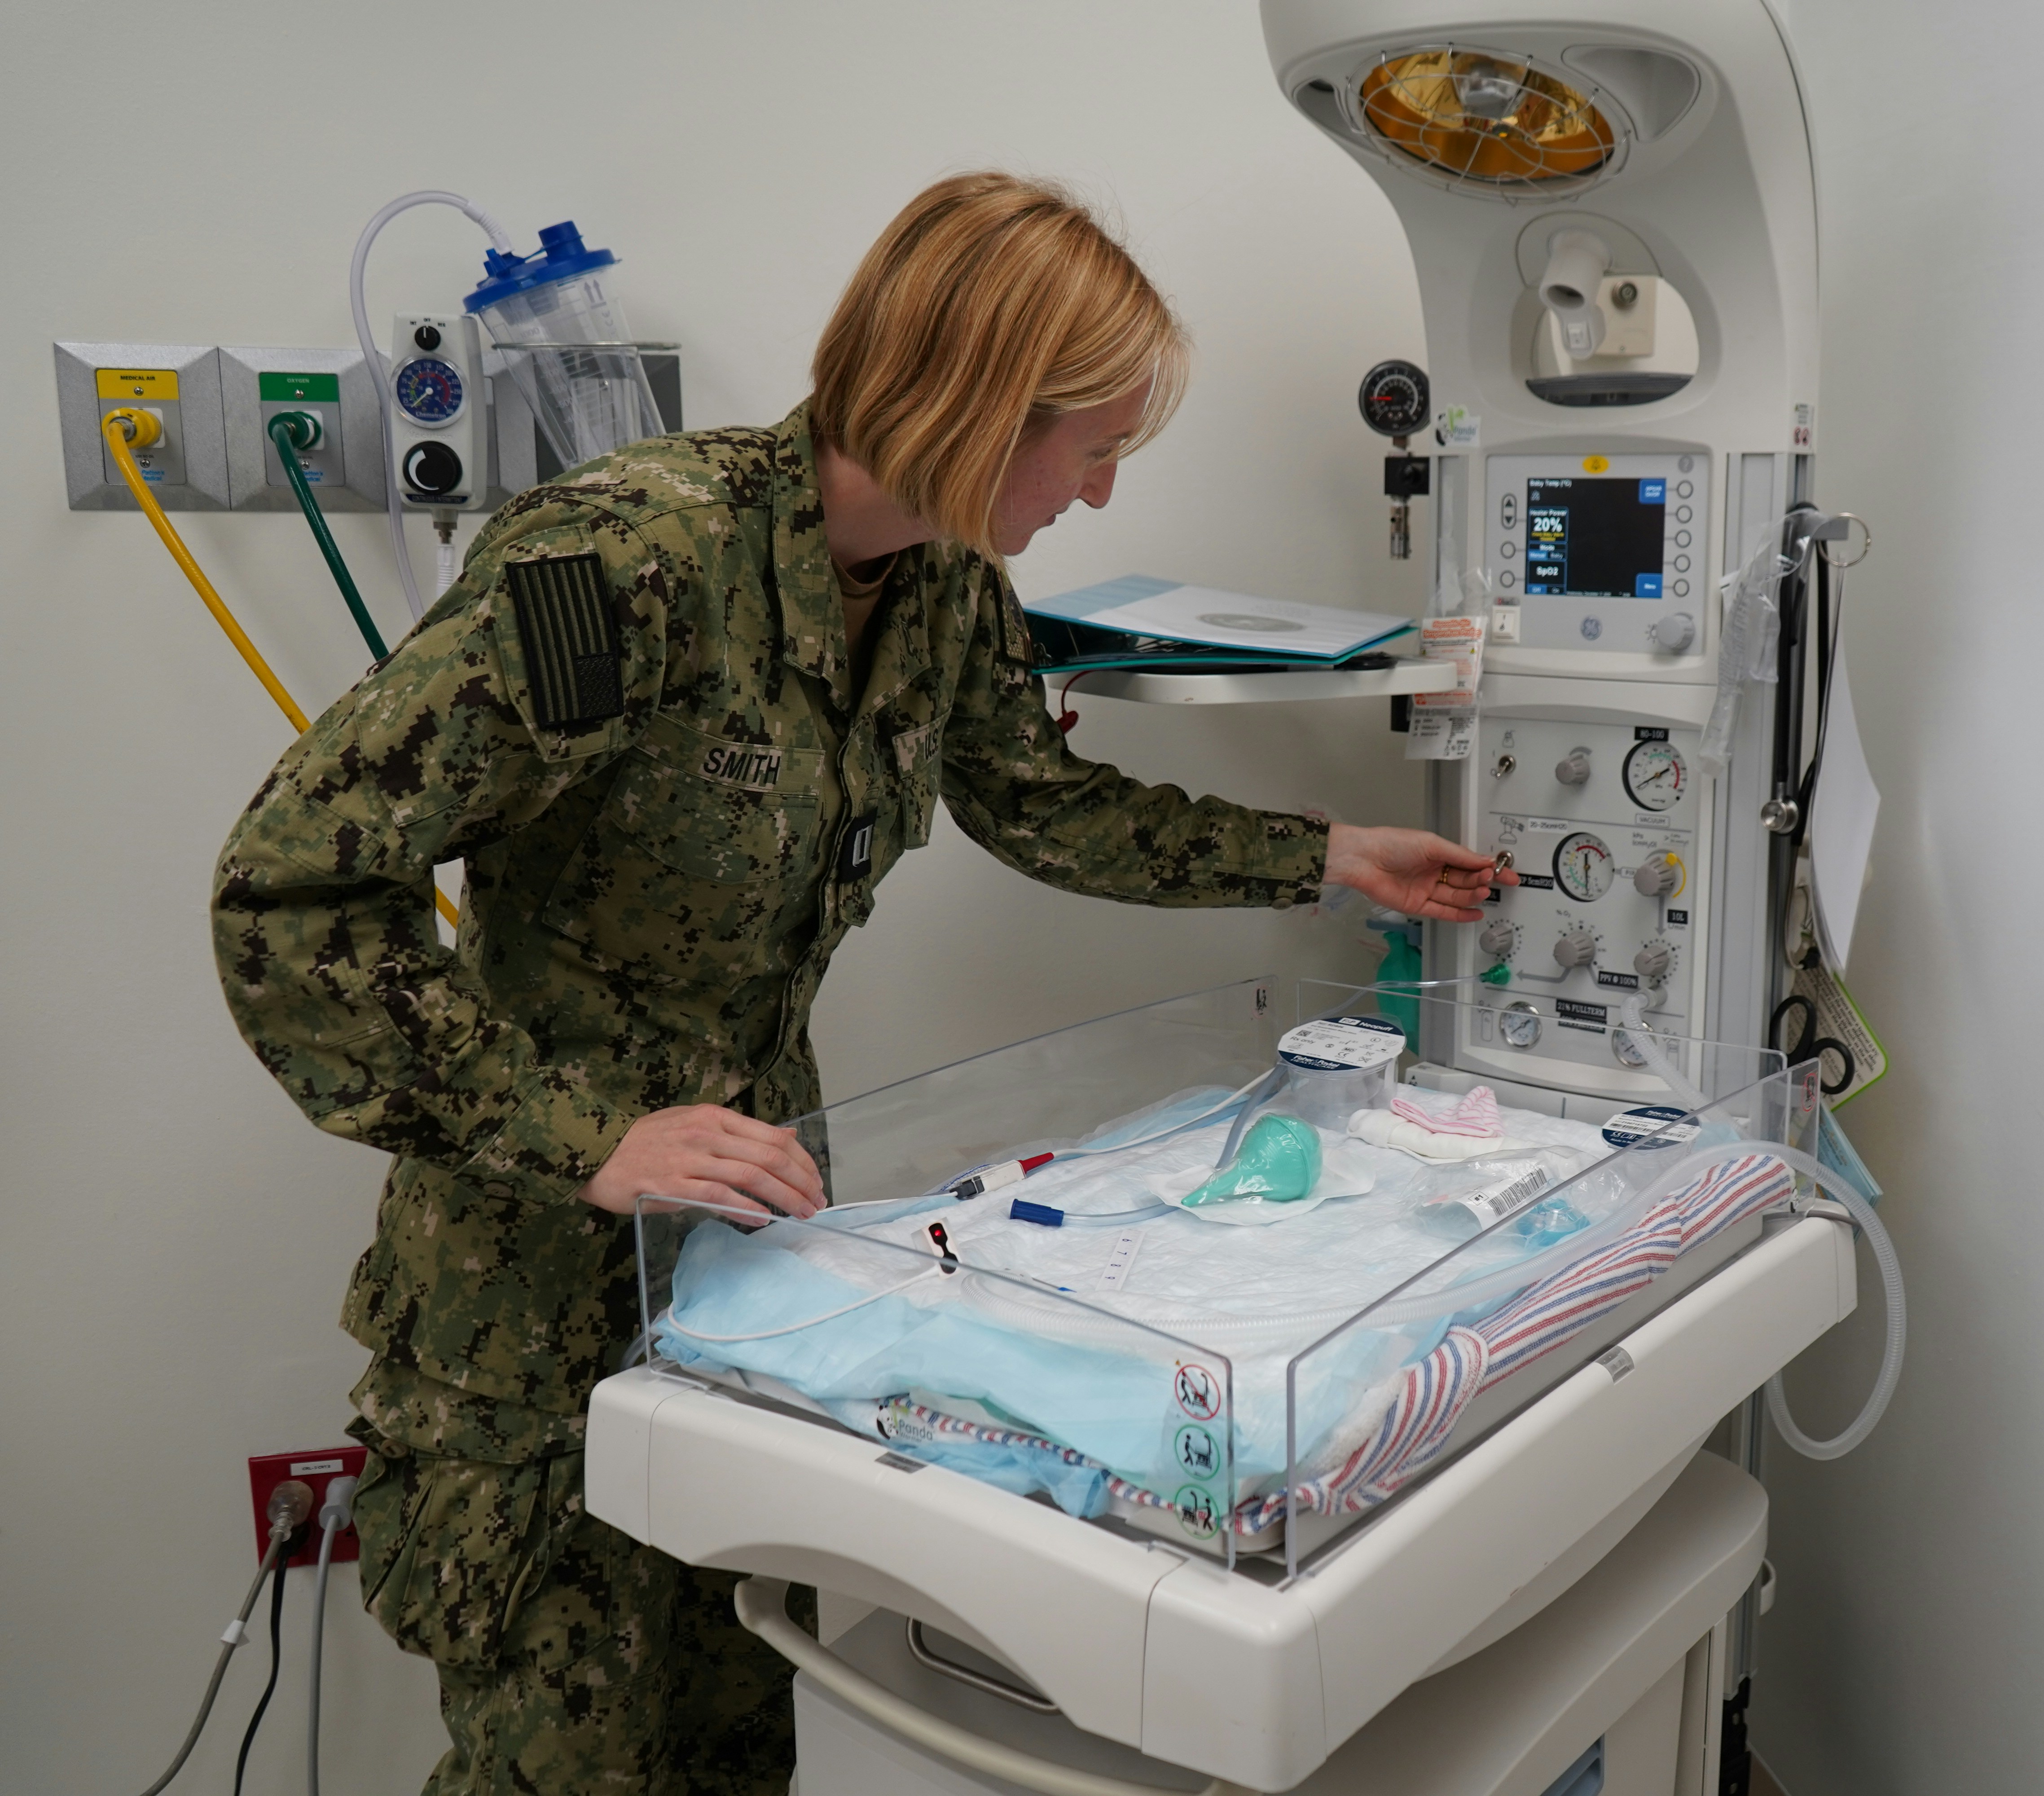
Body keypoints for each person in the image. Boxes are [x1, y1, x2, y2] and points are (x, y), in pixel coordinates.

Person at [211, 170, 1506, 1796]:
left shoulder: (945, 589)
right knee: (572, 1769)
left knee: (747, 1741)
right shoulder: (626, 567)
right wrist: (589, 1136)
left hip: (750, 1264)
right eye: (1094, 449)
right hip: (529, 1300)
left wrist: (1327, 854)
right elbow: (296, 891)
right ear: (978, 405)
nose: (1099, 497)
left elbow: (1043, 804)